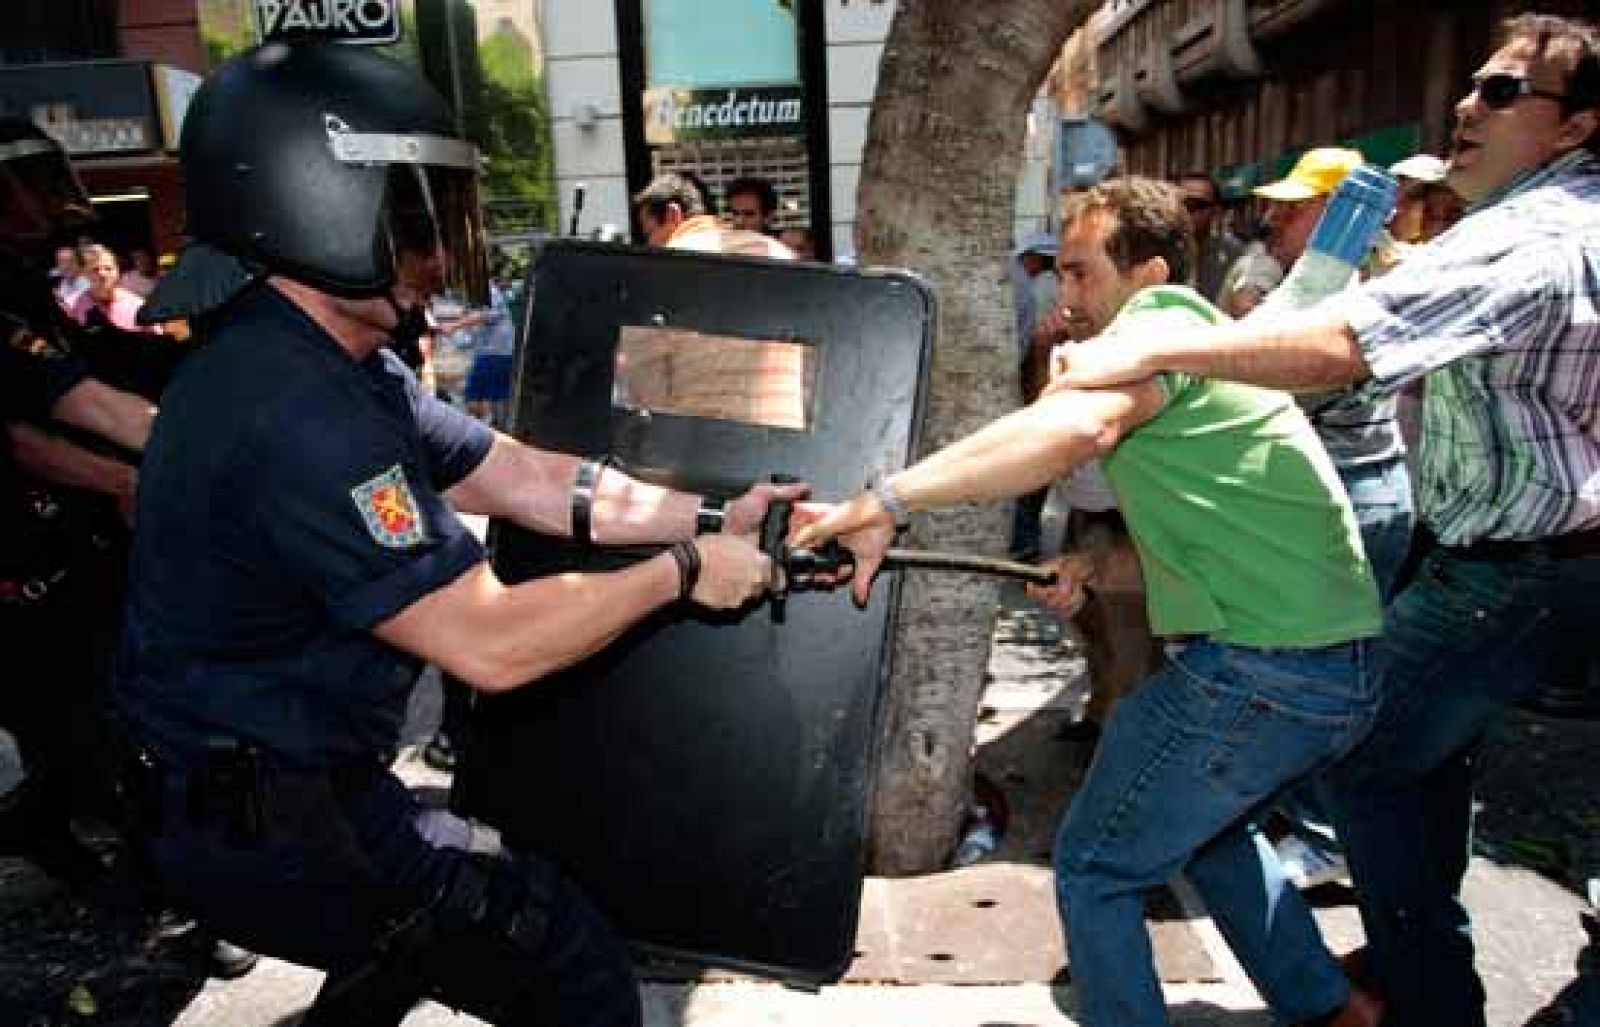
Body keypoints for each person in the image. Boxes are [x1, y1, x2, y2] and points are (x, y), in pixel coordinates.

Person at [120, 42, 801, 1026]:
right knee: (563, 960)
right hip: (261, 821)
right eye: (409, 220)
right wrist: (684, 571)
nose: (438, 254)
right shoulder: (293, 410)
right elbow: (490, 641)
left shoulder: (337, 363)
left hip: (275, 795)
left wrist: (710, 515)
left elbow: (523, 477)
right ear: (309, 205)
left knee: (425, 926)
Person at [1052, 14, 1599, 1024]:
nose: (1468, 105)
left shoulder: (1538, 236)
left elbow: (1341, 343)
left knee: (1347, 752)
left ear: (1575, 128)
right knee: (1382, 765)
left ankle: (1417, 993)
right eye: (1471, 85)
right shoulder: (1497, 227)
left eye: (1502, 93)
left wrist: (1154, 359)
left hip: (1516, 569)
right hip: (1482, 557)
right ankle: (1383, 980)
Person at [795, 176, 1383, 1027]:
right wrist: (1099, 566)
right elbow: (1227, 532)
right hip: (1328, 666)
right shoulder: (1208, 343)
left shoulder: (1158, 331)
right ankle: (1333, 1009)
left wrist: (883, 502)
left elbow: (1071, 432)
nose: (1062, 296)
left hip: (1266, 672)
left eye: (1080, 274)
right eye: (1060, 275)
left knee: (1099, 863)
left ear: (1146, 274)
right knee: (1206, 838)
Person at [633, 173, 793, 259]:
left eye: (648, 233)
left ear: (673, 215)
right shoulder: (782, 253)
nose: (739, 221)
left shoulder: (671, 261)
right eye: (734, 213)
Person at [1176, 171, 1244, 304]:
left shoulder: (1234, 255)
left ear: (1216, 211)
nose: (1186, 211)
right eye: (1181, 203)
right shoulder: (1158, 253)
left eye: (1197, 205)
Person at [66, 244, 161, 334]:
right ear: (84, 273)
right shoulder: (77, 307)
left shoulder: (136, 305)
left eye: (108, 268)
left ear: (117, 271)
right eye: (95, 269)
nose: (102, 274)